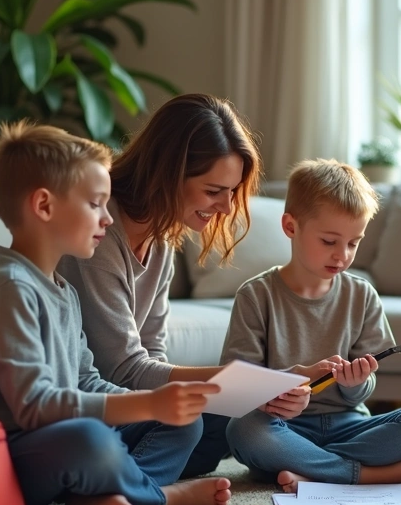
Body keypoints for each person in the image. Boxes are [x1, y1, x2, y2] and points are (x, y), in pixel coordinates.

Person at [0, 121, 232, 505]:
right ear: (44, 206)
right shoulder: (7, 289)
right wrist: (143, 405)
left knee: (186, 422)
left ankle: (101, 496)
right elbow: (35, 407)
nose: (108, 219)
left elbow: (87, 381)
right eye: (96, 204)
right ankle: (159, 496)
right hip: (5, 454)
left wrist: (155, 403)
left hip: (56, 438)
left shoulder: (61, 291)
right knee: (90, 442)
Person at [58, 93, 304, 479]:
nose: (225, 207)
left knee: (234, 420)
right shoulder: (99, 234)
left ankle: (129, 474)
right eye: (213, 190)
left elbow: (152, 354)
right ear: (168, 173)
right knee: (194, 422)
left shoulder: (160, 242)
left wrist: (257, 389)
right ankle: (126, 486)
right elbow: (121, 370)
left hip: (127, 401)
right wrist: (240, 380)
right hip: (93, 401)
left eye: (231, 192)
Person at [222, 159, 401, 493]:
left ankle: (309, 469)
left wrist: (356, 384)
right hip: (285, 426)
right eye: (329, 241)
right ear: (291, 227)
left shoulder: (362, 294)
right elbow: (239, 384)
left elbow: (367, 386)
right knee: (243, 430)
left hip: (349, 425)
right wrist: (296, 377)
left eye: (354, 243)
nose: (342, 255)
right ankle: (363, 475)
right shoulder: (256, 295)